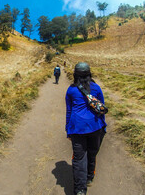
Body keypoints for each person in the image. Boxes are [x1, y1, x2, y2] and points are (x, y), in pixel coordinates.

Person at [65, 62, 107, 195]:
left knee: (79, 159)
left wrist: (68, 129)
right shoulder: (96, 88)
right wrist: (103, 126)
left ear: (75, 75)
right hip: (96, 127)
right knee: (92, 153)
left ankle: (80, 190)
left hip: (77, 128)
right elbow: (101, 108)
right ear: (89, 74)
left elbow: (69, 111)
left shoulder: (71, 90)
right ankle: (89, 177)